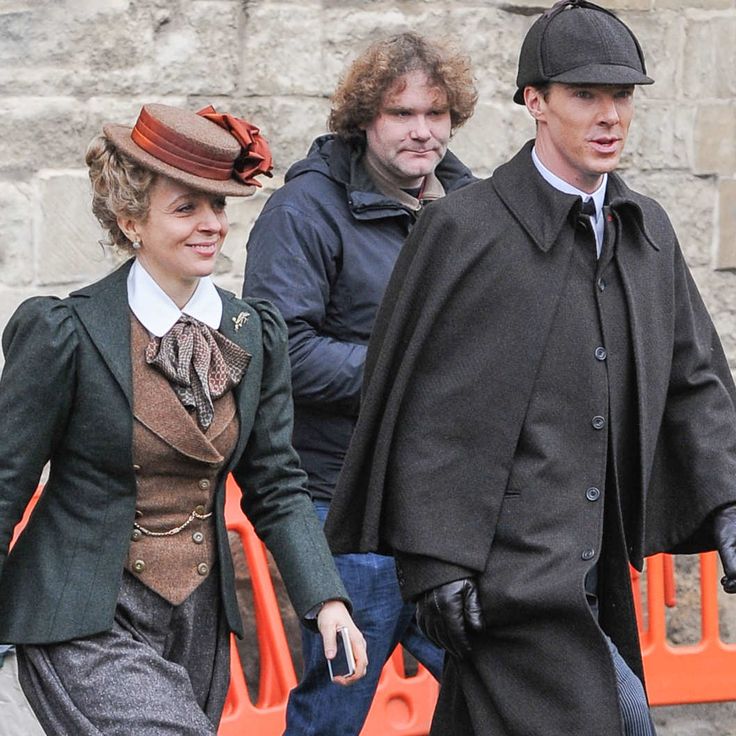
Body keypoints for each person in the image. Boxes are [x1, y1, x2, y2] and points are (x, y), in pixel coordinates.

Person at [324, 2, 736, 735]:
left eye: (623, 96)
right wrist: (433, 564)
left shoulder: (646, 232)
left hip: (595, 576)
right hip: (500, 579)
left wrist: (729, 499)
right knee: (624, 720)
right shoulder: (463, 229)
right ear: (536, 103)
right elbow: (419, 412)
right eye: (586, 95)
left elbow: (693, 379)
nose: (610, 115)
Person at [0, 102, 367, 736]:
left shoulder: (256, 334)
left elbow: (276, 484)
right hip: (83, 614)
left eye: (218, 206)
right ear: (130, 222)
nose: (211, 226)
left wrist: (325, 598)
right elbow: (6, 481)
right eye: (185, 208)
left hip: (198, 623)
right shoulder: (65, 332)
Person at [242, 32, 477, 735]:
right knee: (335, 710)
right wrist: (413, 374)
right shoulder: (304, 213)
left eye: (437, 114)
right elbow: (284, 355)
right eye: (402, 113)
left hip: (445, 510)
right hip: (343, 508)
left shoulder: (470, 206)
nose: (422, 131)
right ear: (364, 117)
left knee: (497, 685)